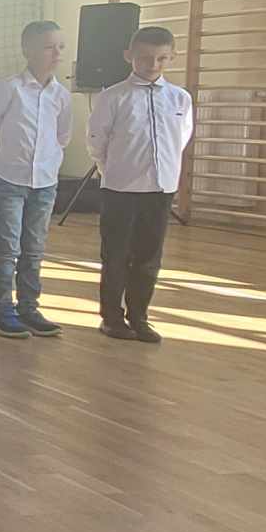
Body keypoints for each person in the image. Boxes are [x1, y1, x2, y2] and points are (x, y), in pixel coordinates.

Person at [87, 25, 194, 344]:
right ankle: (111, 317)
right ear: (129, 56)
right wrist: (112, 171)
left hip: (160, 189)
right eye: (145, 58)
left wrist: (164, 171)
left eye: (161, 58)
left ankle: (139, 316)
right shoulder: (113, 97)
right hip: (121, 188)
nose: (153, 65)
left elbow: (181, 138)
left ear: (172, 57)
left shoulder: (180, 98)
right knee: (116, 255)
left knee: (149, 256)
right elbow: (97, 141)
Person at [0, 19, 72, 339]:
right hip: (9, 178)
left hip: (44, 182)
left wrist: (47, 165)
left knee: (33, 248)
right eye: (48, 47)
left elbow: (62, 136)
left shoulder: (61, 95)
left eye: (60, 47)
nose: (56, 53)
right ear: (27, 50)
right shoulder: (9, 88)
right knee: (7, 248)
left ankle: (29, 307)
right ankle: (1, 310)